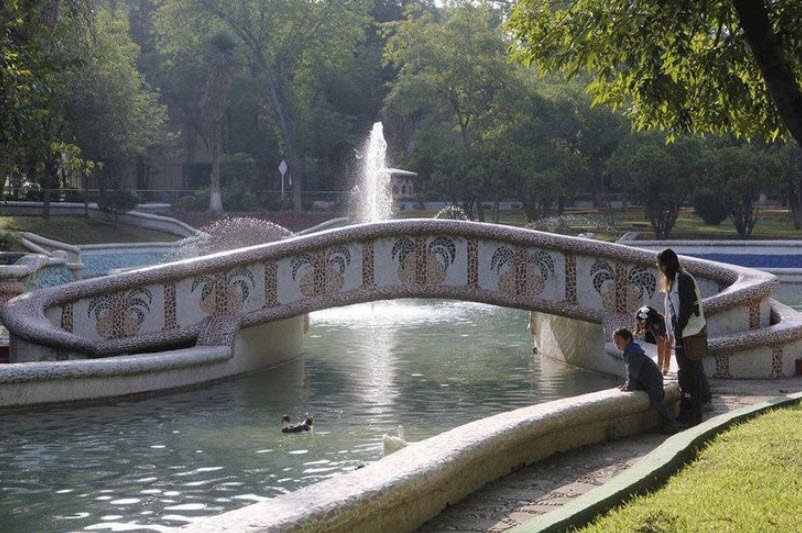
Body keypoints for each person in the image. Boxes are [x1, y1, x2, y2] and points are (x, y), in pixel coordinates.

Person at [656, 248, 710, 427]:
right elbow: (673, 308)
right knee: (688, 375)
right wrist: (671, 331)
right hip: (684, 334)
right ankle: (690, 414)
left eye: (660, 265)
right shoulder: (675, 280)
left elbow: (687, 308)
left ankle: (691, 417)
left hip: (689, 335)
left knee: (689, 377)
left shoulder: (684, 279)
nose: (660, 269)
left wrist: (678, 331)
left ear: (667, 263)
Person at [612, 328, 679, 432]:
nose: (617, 344)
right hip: (647, 380)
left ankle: (672, 423)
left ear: (628, 340)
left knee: (656, 401)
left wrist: (629, 386)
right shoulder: (630, 350)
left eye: (619, 341)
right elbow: (631, 371)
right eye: (615, 341)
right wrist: (627, 384)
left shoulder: (633, 352)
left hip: (653, 380)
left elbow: (634, 372)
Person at [634, 305, 670, 375]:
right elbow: (639, 327)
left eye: (643, 322)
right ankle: (662, 367)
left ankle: (664, 367)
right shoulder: (643, 318)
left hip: (664, 326)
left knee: (665, 345)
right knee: (662, 345)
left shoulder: (658, 323)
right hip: (655, 322)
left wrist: (660, 366)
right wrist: (637, 332)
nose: (641, 324)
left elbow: (661, 345)